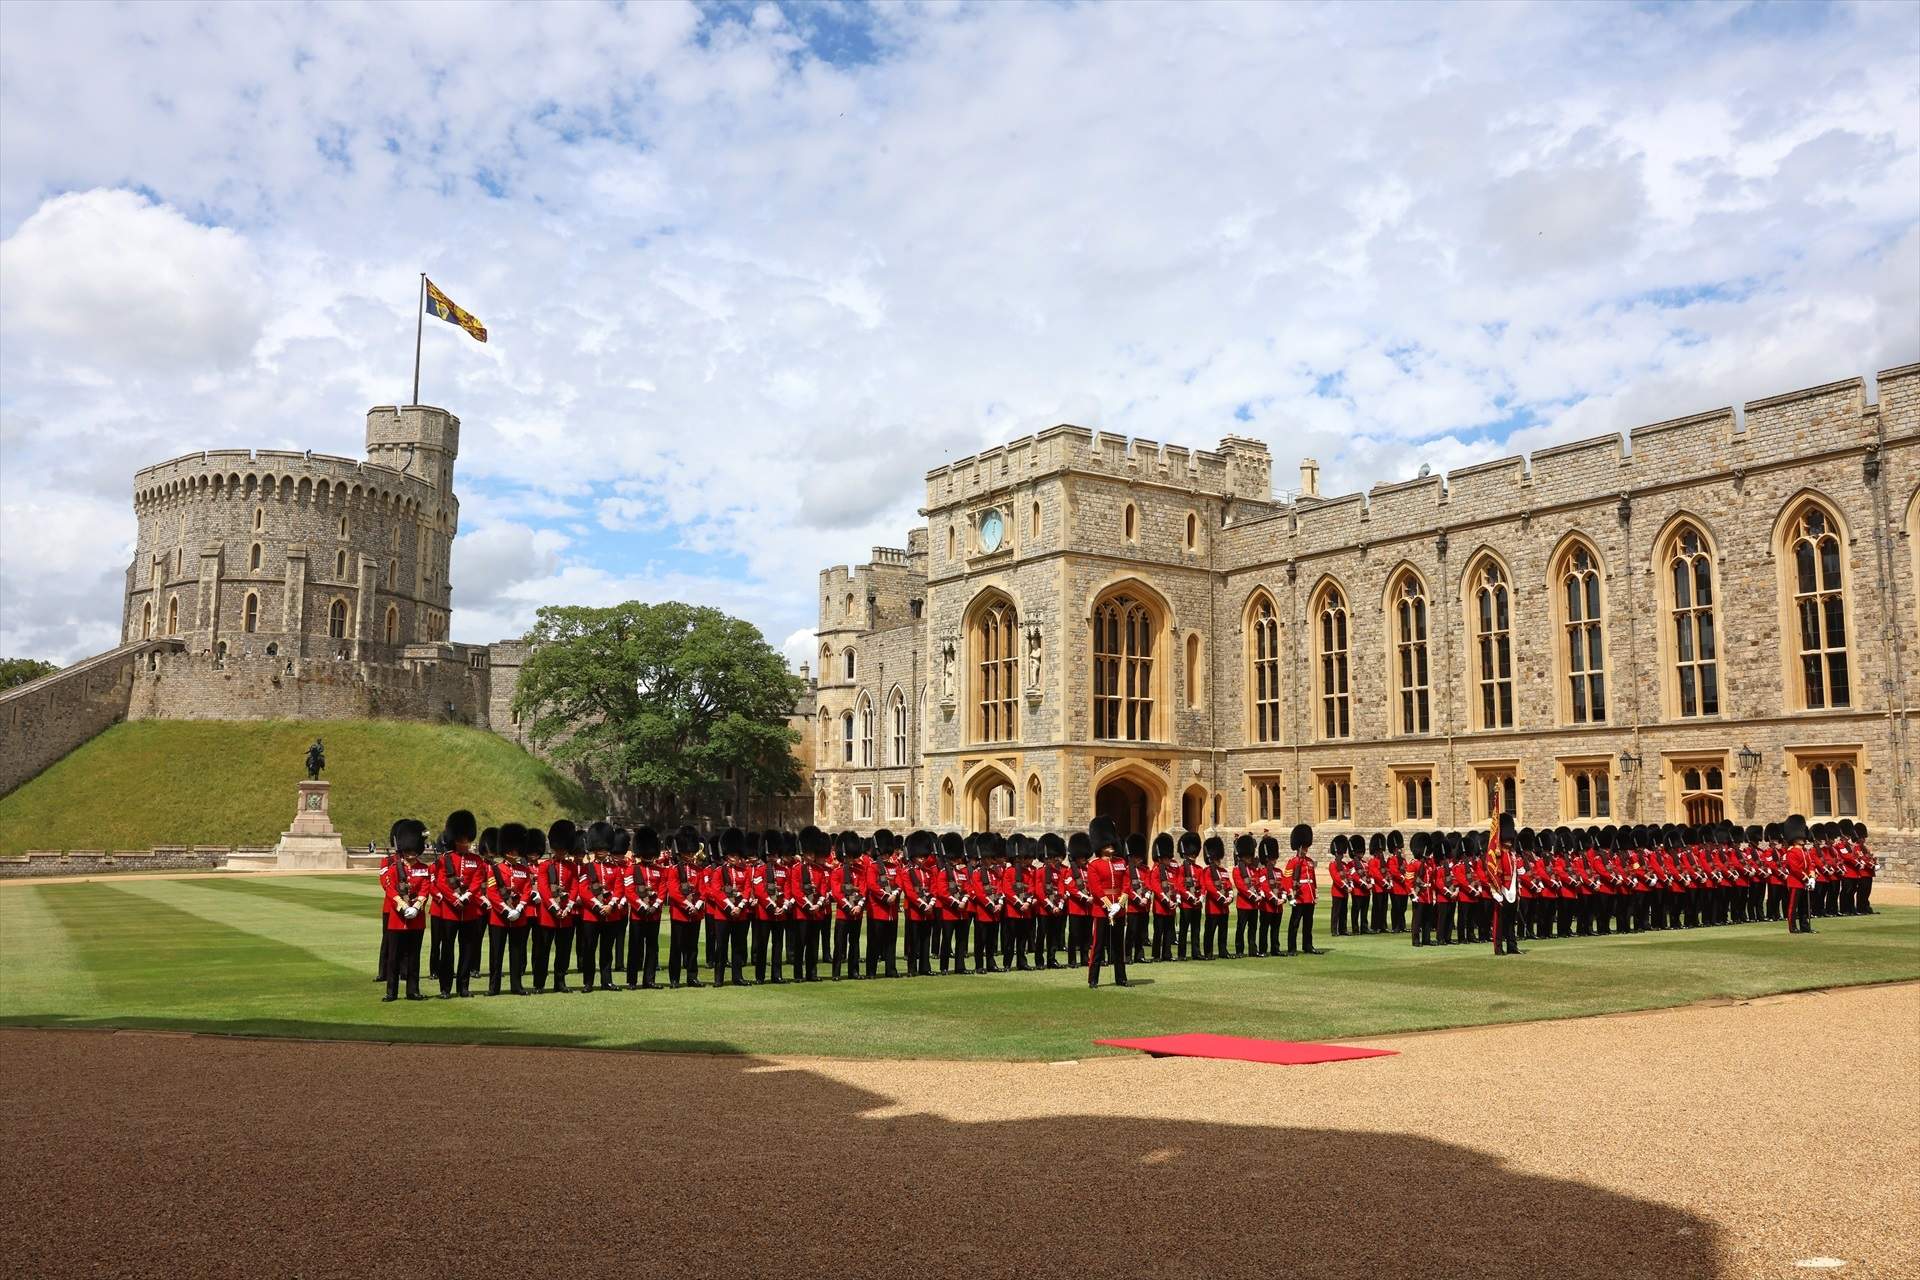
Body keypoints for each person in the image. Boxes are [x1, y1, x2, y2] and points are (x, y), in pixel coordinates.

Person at [380, 819, 431, 1002]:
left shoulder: (424, 869)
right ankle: (391, 992)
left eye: (414, 851)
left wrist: (417, 906)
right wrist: (403, 905)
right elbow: (390, 890)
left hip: (416, 919)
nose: (411, 855)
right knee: (394, 958)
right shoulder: (394, 869)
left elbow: (425, 889)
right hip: (397, 919)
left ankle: (413, 990)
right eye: (408, 851)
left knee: (413, 957)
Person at [484, 821, 534, 996]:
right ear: (506, 850)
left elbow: (527, 890)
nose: (515, 853)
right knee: (496, 954)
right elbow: (492, 893)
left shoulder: (524, 870)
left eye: (516, 850)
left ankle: (516, 985)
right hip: (499, 917)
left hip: (518, 916)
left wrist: (519, 908)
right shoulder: (496, 869)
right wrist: (506, 910)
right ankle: (494, 987)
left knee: (516, 953)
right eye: (512, 850)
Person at [1083, 816, 1131, 988]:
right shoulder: (1094, 865)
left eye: (1112, 843)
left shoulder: (1121, 862)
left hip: (1119, 909)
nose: (1111, 846)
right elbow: (1096, 889)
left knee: (1119, 946)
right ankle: (1093, 979)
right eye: (1107, 844)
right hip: (1101, 910)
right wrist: (1109, 906)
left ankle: (1121, 978)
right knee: (1098, 945)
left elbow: (1127, 884)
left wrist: (1120, 903)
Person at [531, 822, 576, 993]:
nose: (561, 853)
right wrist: (554, 908)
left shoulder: (571, 867)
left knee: (563, 952)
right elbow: (543, 889)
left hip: (566, 915)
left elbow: (574, 887)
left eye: (564, 850)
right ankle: (539, 984)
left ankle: (560, 982)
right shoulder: (545, 866)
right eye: (559, 849)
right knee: (543, 951)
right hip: (548, 916)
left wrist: (568, 907)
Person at [666, 826, 707, 987]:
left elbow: (703, 890)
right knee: (676, 947)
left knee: (692, 947)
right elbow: (673, 891)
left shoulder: (699, 870)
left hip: (695, 913)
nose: (690, 855)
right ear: (681, 852)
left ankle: (692, 976)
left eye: (691, 852)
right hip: (679, 913)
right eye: (687, 852)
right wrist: (687, 904)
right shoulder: (675, 870)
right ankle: (674, 978)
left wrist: (696, 905)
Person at [625, 827, 664, 990]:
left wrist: (655, 906)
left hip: (654, 915)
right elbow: (629, 891)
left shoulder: (659, 870)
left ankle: (649, 979)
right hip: (637, 915)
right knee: (635, 947)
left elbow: (663, 890)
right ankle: (632, 980)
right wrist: (641, 906)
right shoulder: (632, 869)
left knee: (652, 948)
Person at [1284, 825, 1320, 955]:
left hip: (1309, 896)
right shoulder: (1293, 862)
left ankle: (1308, 945)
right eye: (1304, 847)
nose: (1306, 850)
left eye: (1306, 847)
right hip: (1299, 896)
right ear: (1299, 847)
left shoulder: (1309, 862)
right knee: (1294, 924)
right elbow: (1287, 879)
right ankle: (1292, 948)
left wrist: (1315, 894)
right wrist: (1290, 896)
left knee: (1308, 924)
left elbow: (1313, 879)